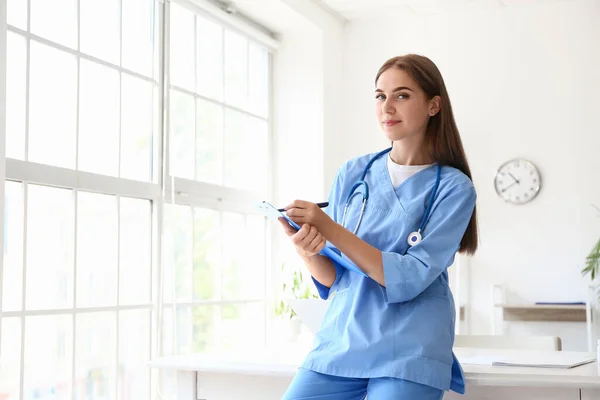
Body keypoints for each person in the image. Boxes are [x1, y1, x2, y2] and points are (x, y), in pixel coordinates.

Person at [277, 54, 479, 400]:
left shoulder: (454, 188)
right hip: (342, 339)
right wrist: (308, 250)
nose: (387, 107)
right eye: (380, 96)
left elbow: (411, 276)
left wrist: (328, 227)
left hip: (410, 348)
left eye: (402, 95)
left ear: (433, 106)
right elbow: (335, 278)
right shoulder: (353, 173)